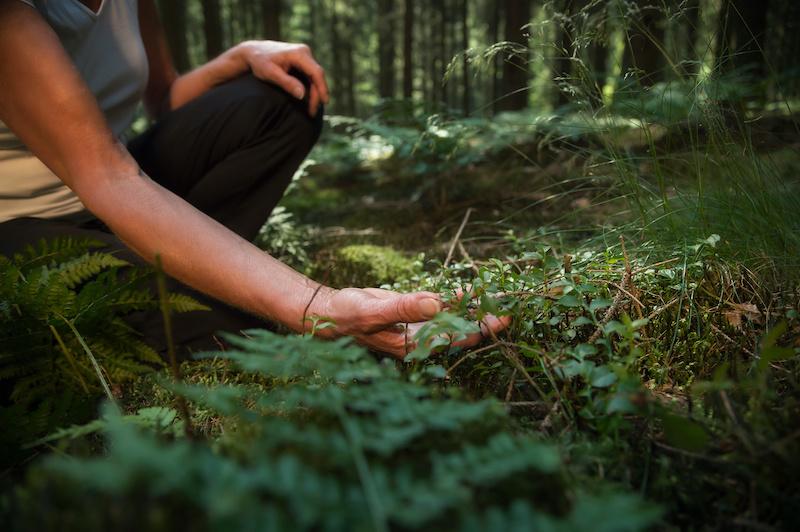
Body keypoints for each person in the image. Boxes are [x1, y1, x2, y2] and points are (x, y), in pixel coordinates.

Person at [0, 0, 508, 359]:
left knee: (285, 96)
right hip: (29, 223)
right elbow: (108, 177)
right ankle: (192, 276)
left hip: (123, 179)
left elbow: (166, 102)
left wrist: (240, 57)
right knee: (238, 320)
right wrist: (318, 306)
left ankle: (186, 258)